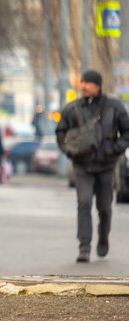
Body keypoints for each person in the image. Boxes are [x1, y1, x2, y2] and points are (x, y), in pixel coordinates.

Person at [56, 69, 129, 263]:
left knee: (104, 208)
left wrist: (113, 150)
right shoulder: (73, 109)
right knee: (84, 203)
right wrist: (69, 151)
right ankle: (84, 247)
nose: (84, 85)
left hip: (106, 165)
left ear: (98, 85)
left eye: (88, 82)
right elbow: (61, 132)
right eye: (82, 82)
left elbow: (127, 132)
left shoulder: (114, 107)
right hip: (82, 166)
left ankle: (103, 237)